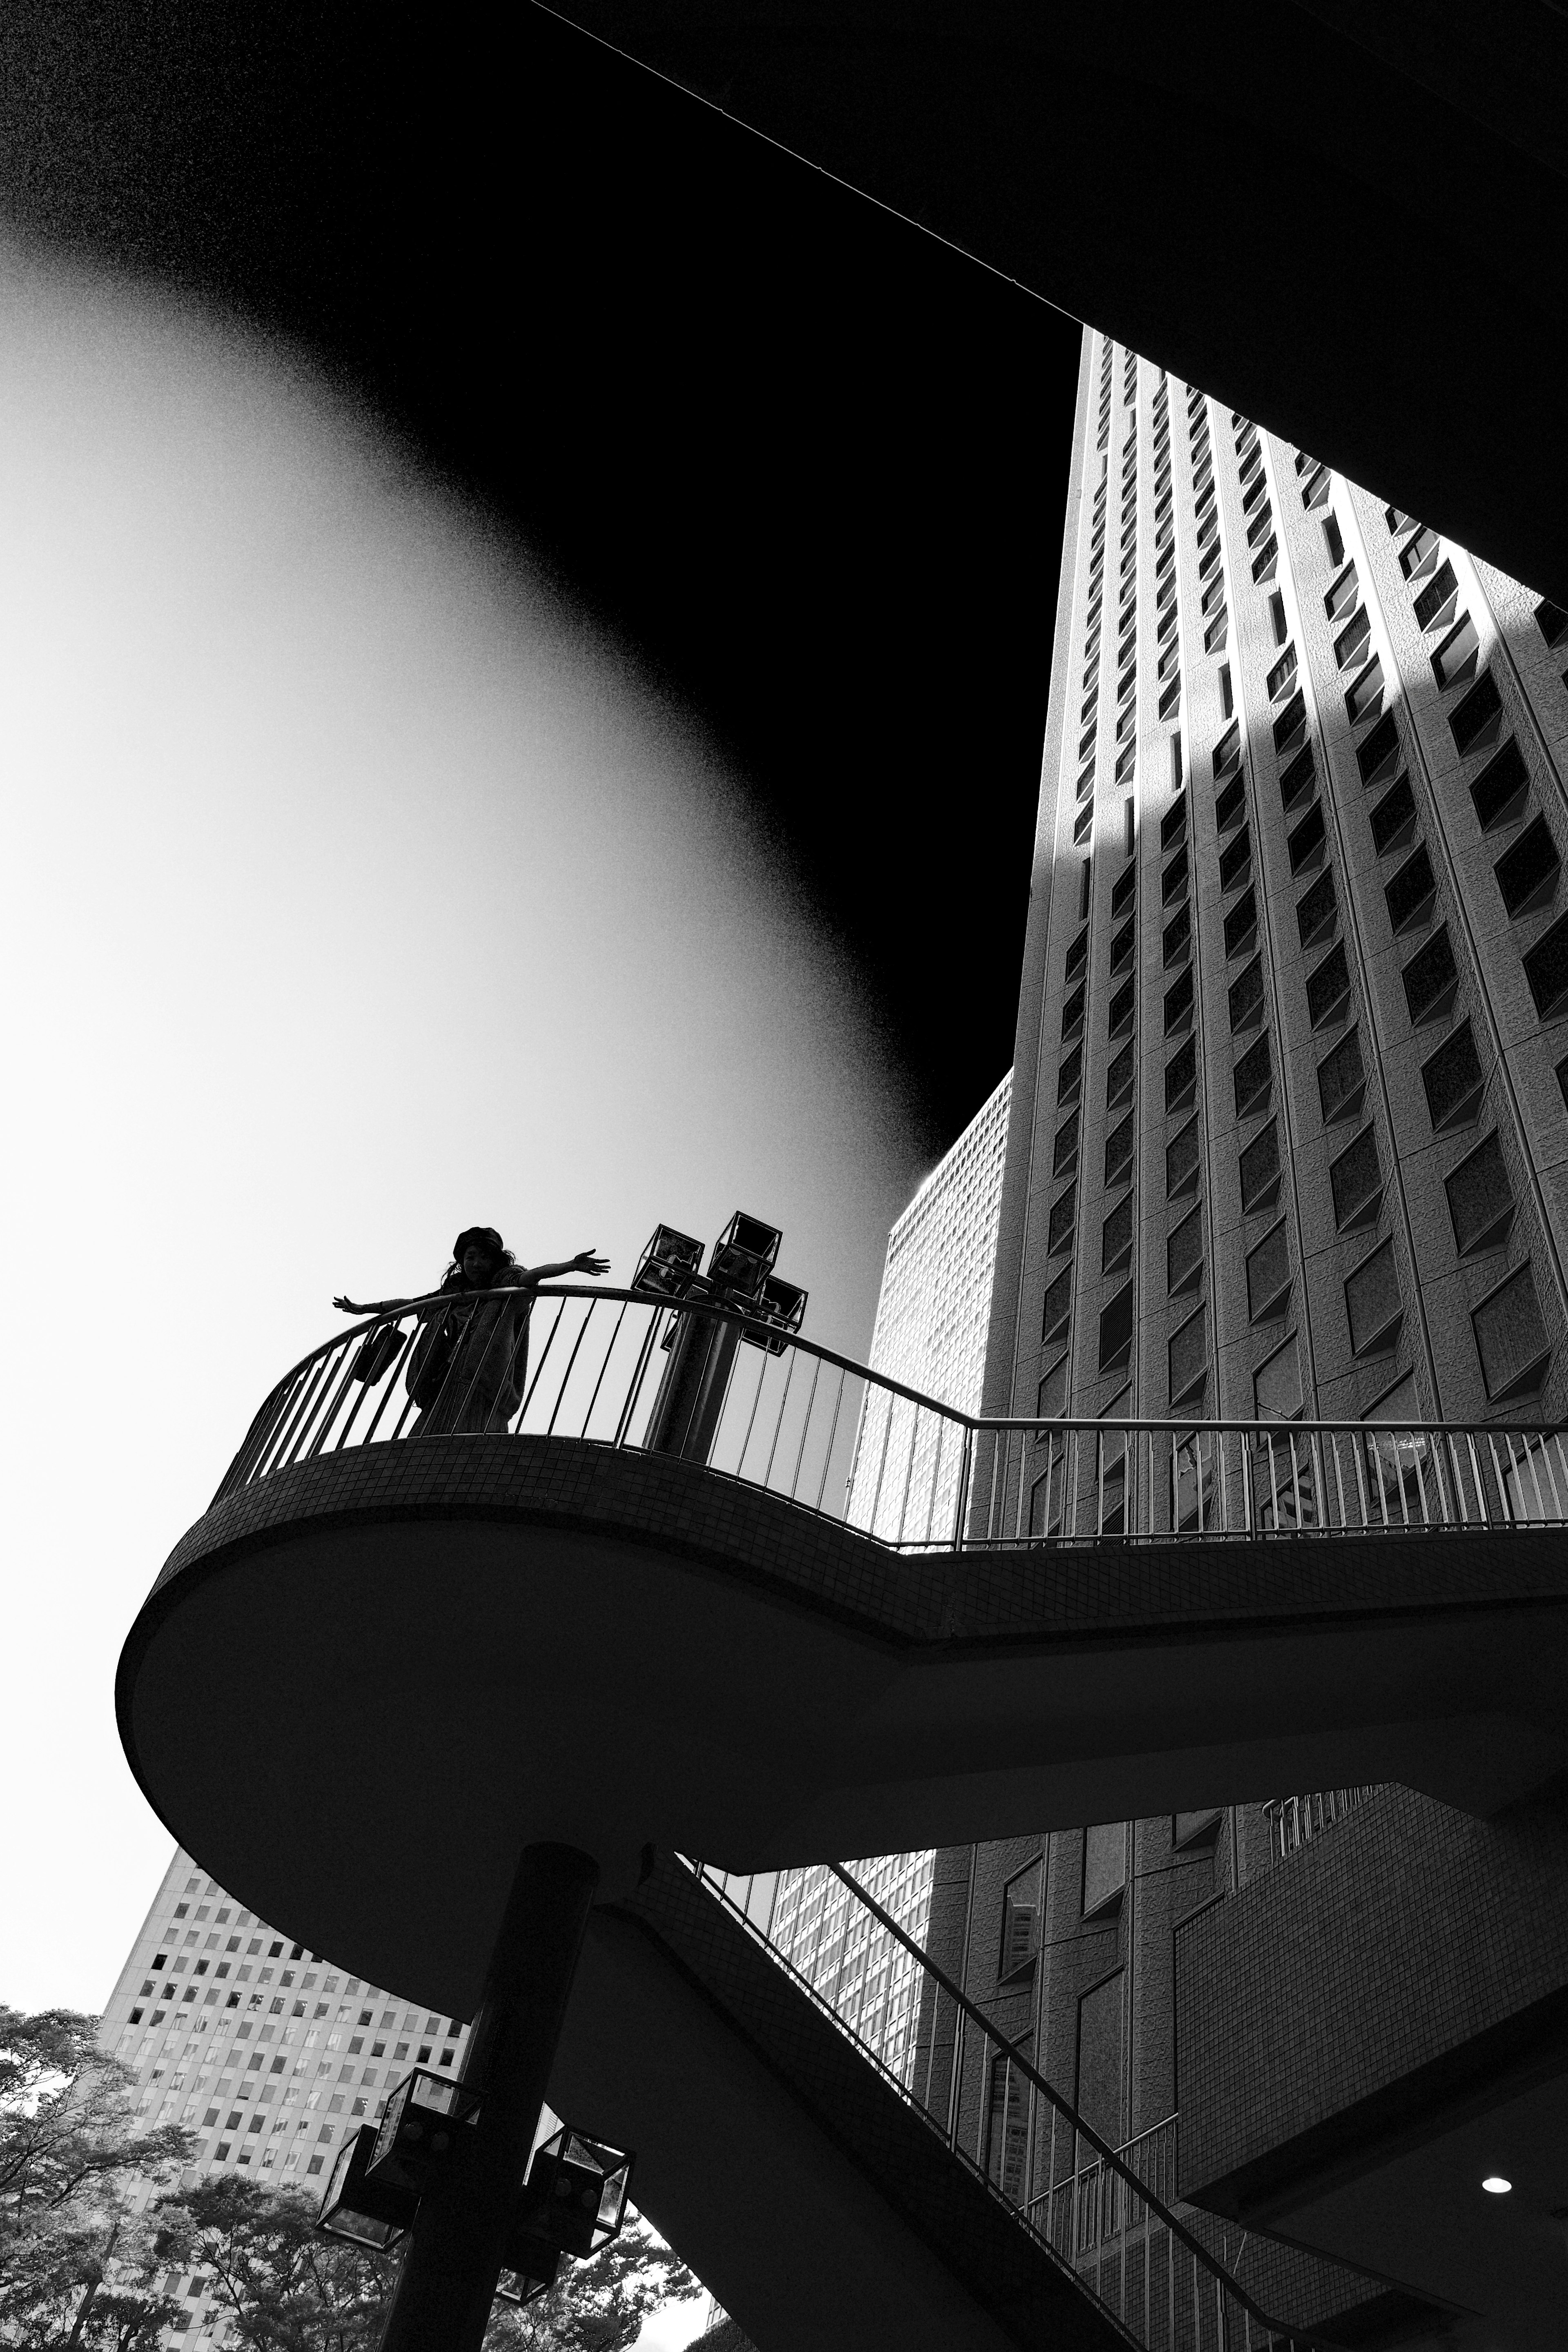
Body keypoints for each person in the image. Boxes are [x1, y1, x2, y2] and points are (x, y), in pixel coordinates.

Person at [334, 1226, 608, 1434]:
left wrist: (571, 1266)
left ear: (496, 1261)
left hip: (484, 1379)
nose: (476, 1263)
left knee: (476, 1439)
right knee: (428, 1441)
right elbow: (411, 1305)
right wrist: (365, 1308)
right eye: (470, 1257)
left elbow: (530, 1277)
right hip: (445, 1380)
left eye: (484, 1257)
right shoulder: (453, 1293)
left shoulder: (504, 1284)